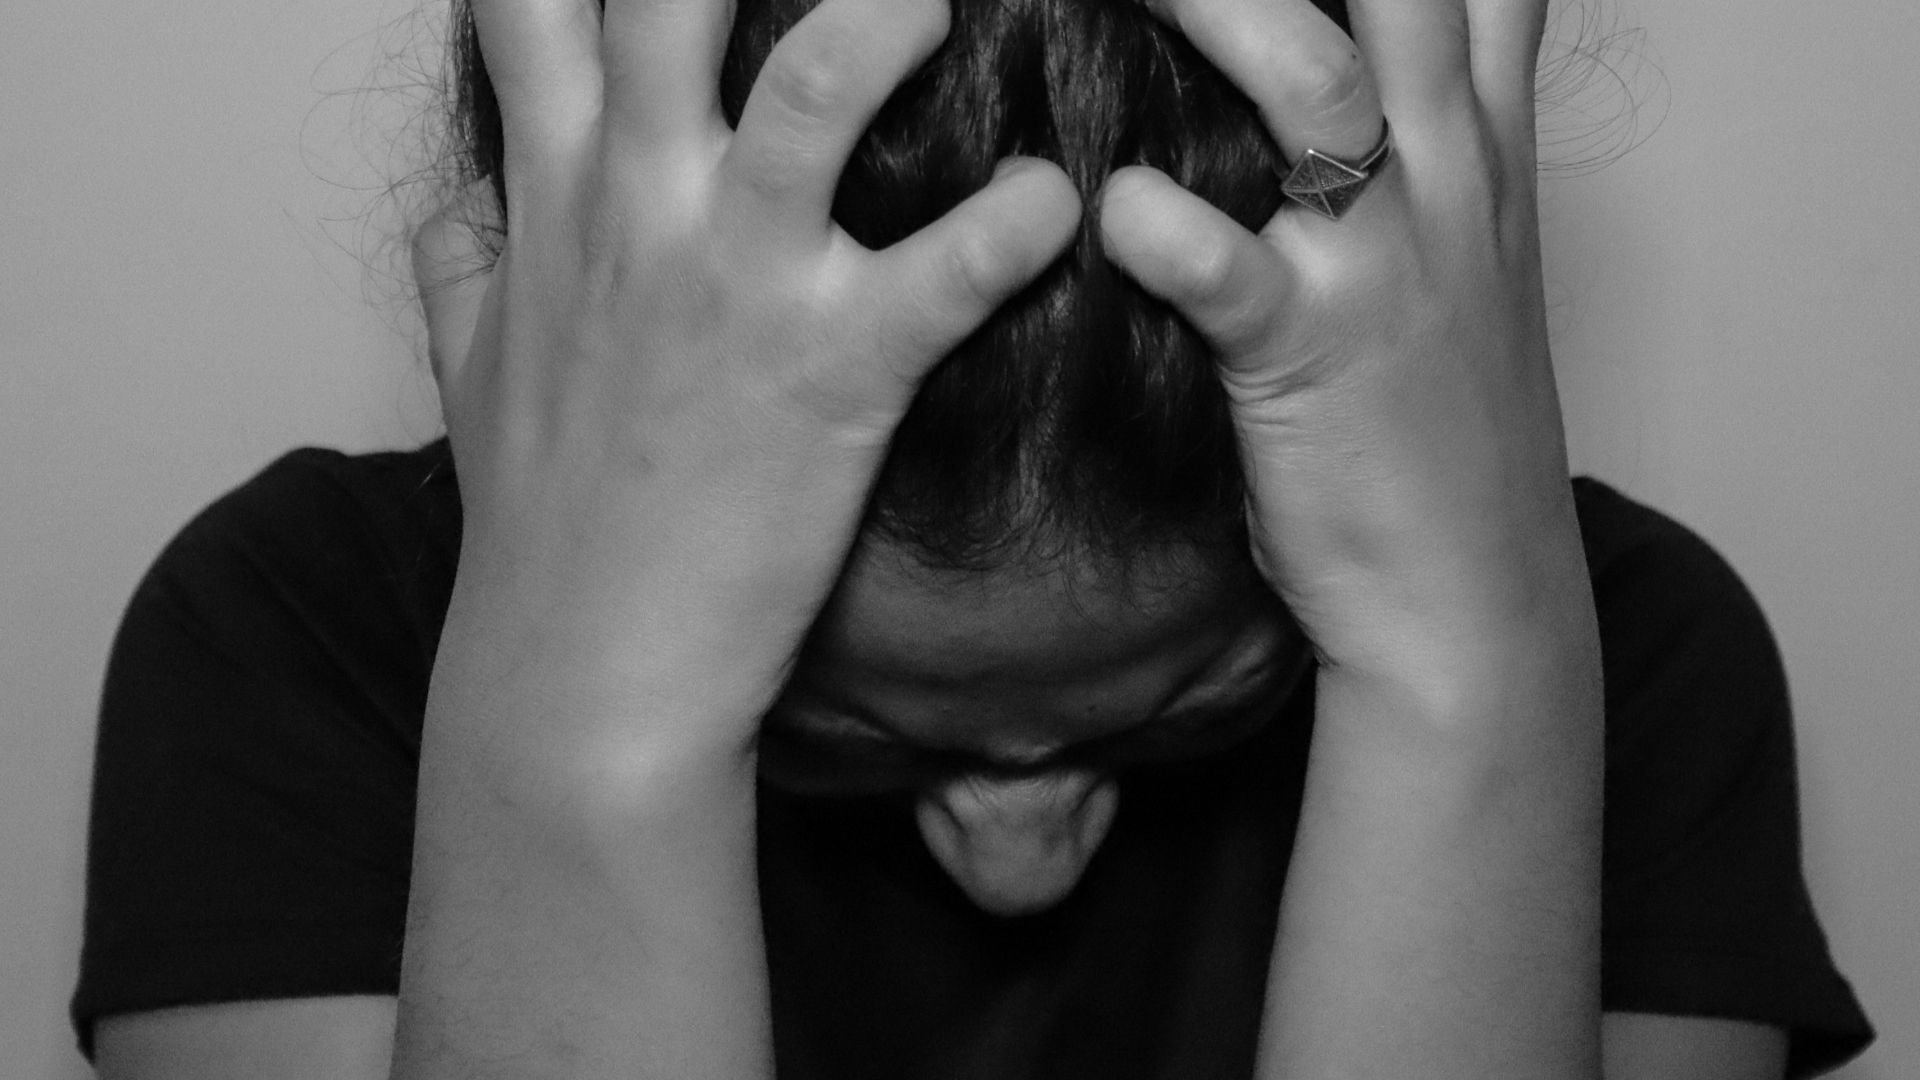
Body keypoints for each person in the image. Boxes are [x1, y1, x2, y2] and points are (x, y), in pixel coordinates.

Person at [72, 0, 1875, 1073]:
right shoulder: (286, 647)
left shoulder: (1624, 664)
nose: (1021, 860)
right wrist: (586, 731)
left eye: (1177, 720)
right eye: (836, 735)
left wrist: (1471, 674)